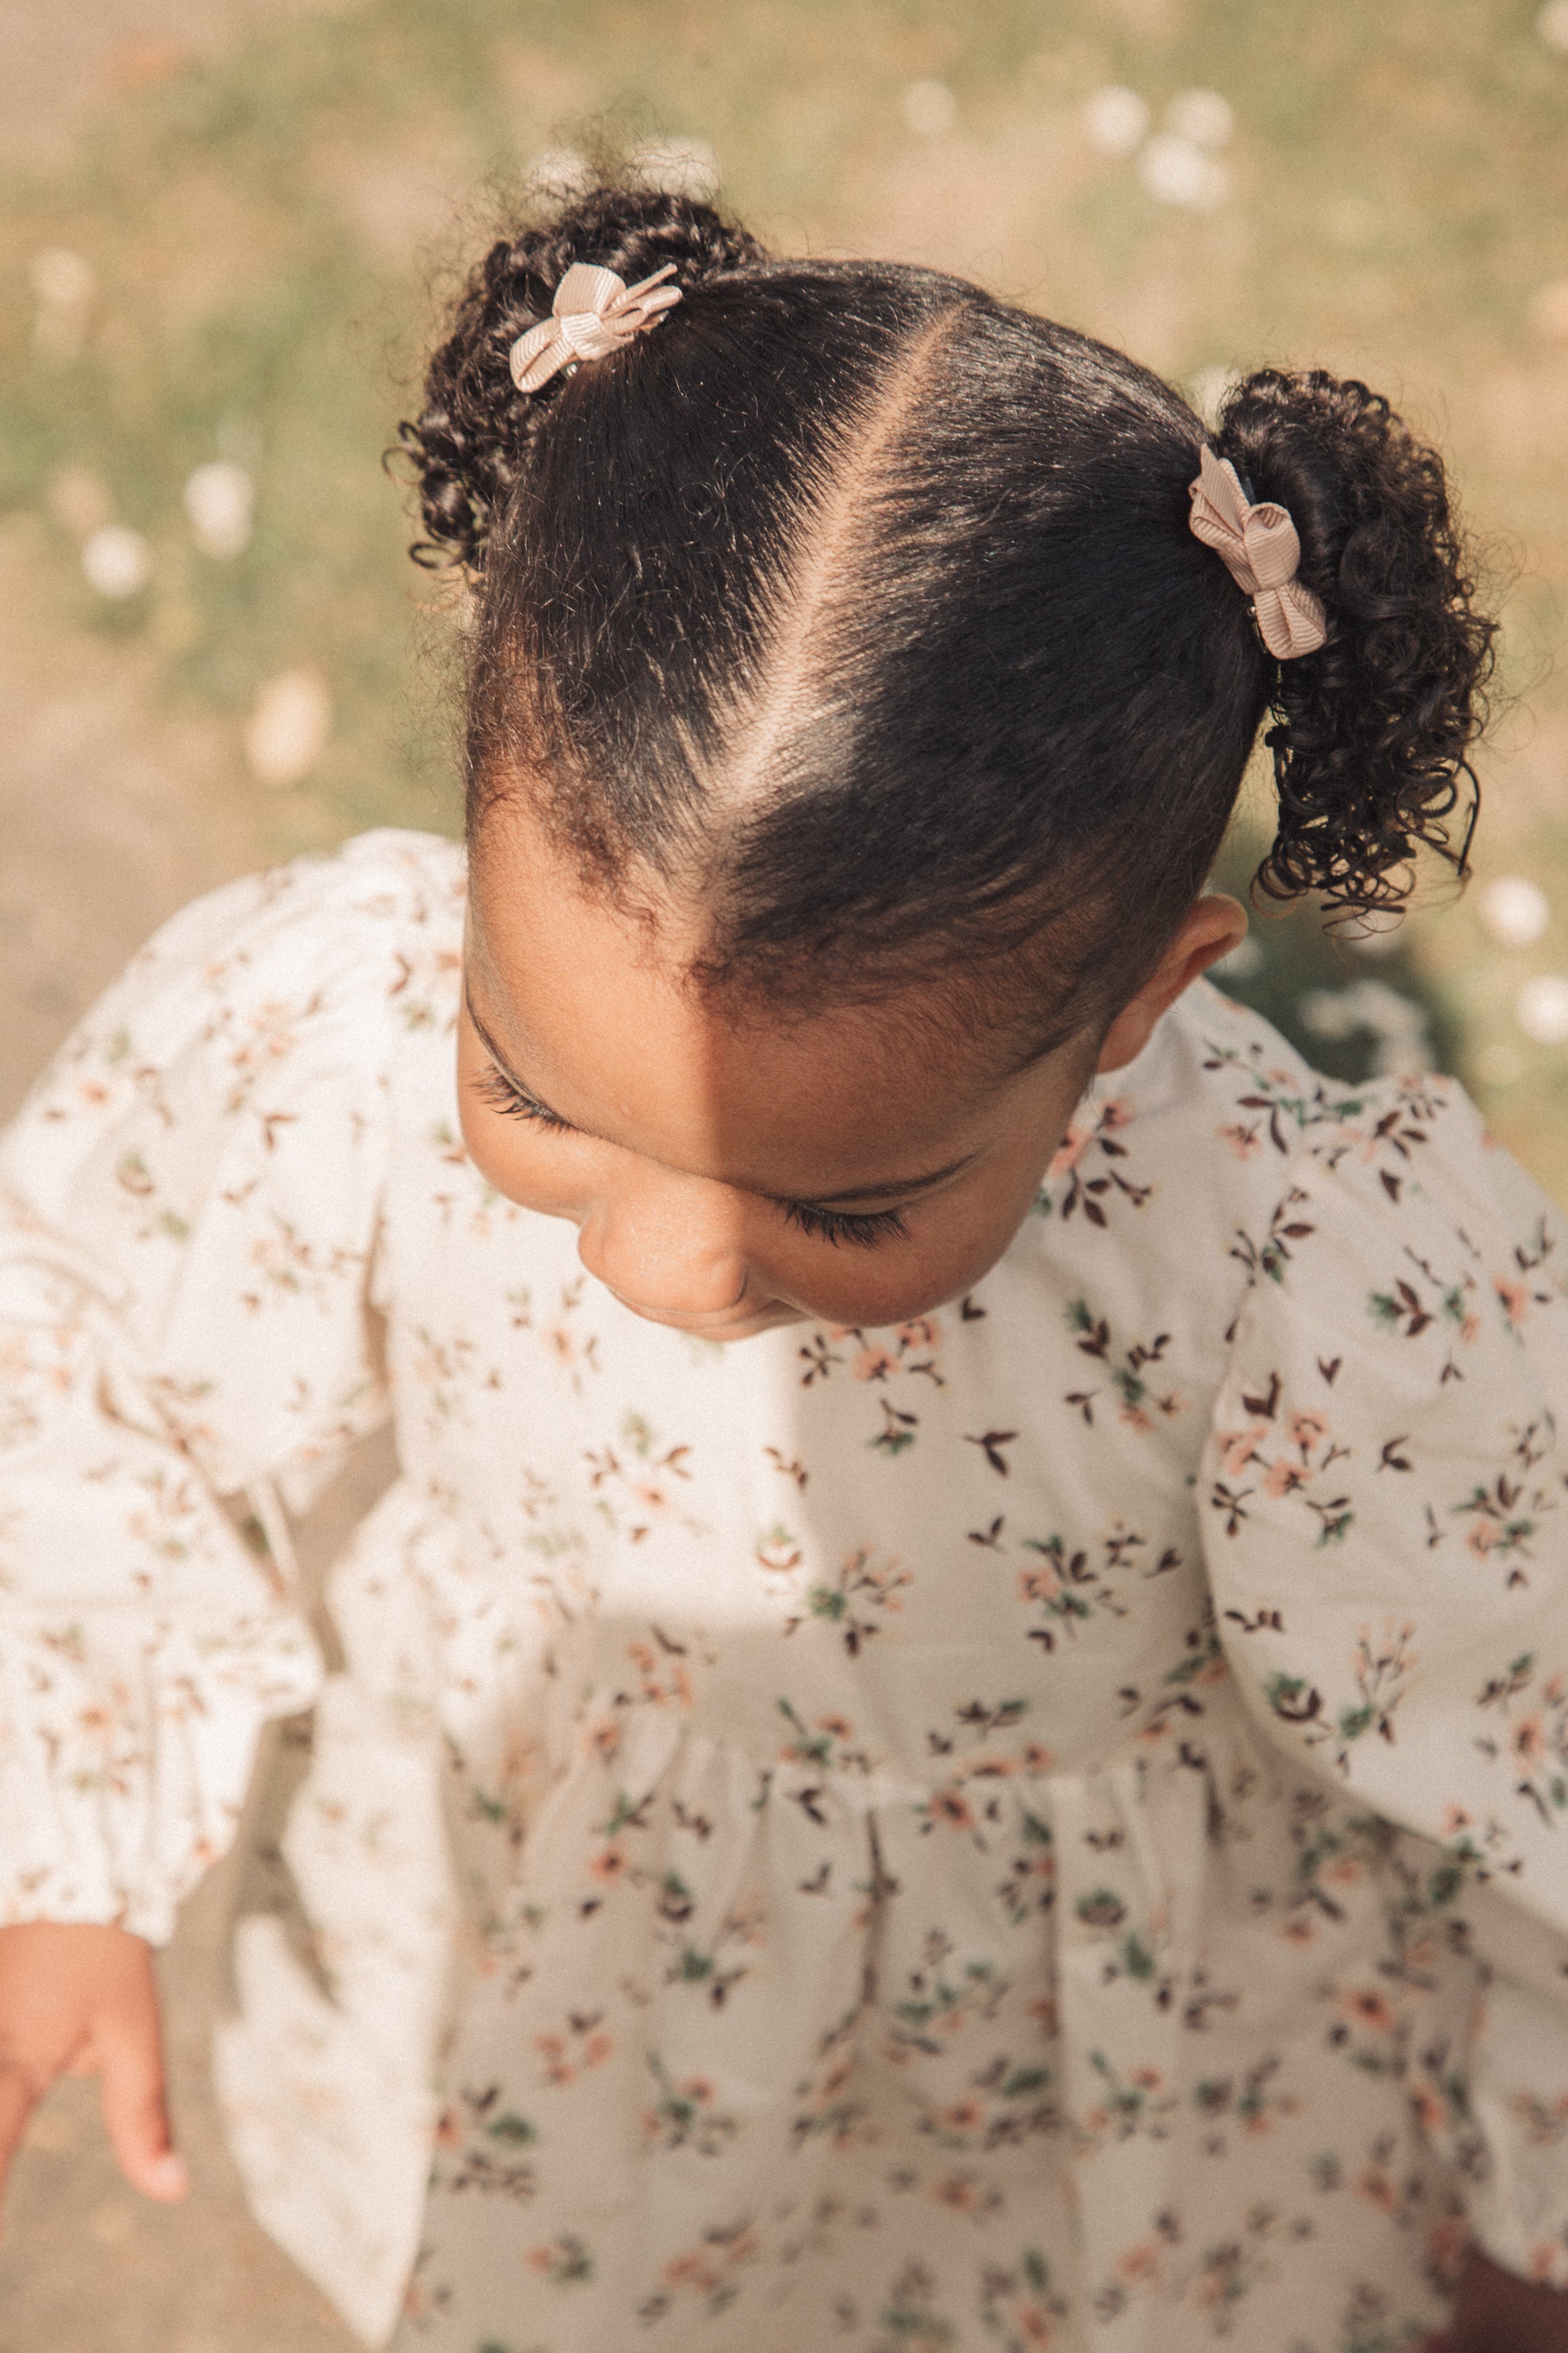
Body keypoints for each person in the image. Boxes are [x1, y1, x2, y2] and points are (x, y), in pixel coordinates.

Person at [0, 180, 1564, 2353]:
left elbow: (1526, 1726)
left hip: (1092, 2123)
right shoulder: (334, 1028)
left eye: (839, 1207)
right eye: (531, 1091)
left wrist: (1534, 2199)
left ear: (1138, 998)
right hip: (559, 2013)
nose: (659, 1265)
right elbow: (80, 1349)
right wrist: (61, 1850)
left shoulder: (1302, 1283)